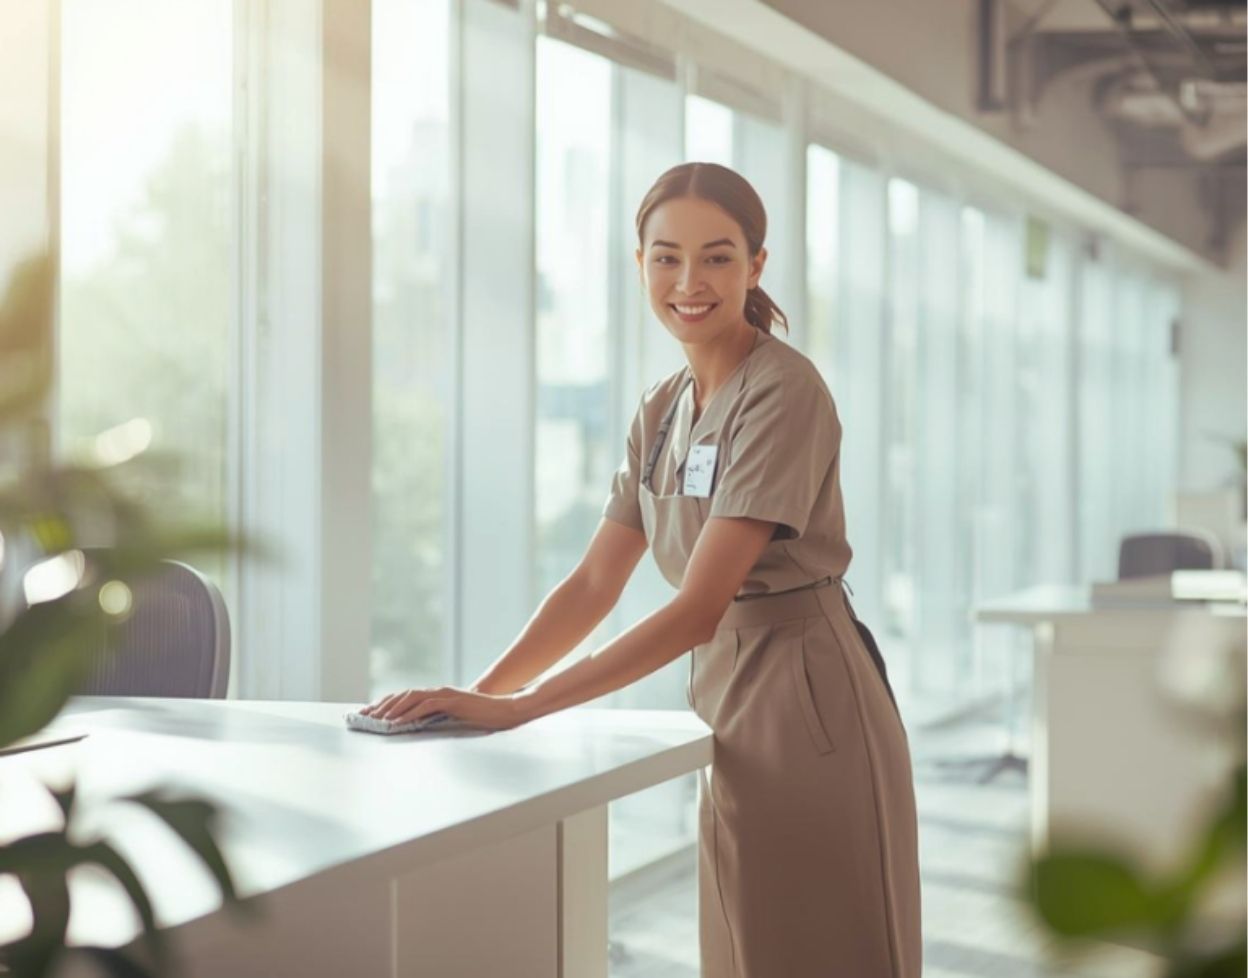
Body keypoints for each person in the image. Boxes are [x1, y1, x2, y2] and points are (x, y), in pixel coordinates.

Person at [363, 161, 922, 977]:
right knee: (740, 948)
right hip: (727, 694)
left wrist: (521, 710)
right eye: (666, 257)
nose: (689, 282)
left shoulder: (783, 392)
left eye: (718, 257)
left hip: (808, 697)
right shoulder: (662, 408)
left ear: (756, 266)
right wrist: (478, 698)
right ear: (639, 264)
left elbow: (698, 607)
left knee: (814, 949)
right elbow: (594, 584)